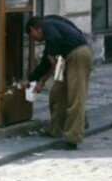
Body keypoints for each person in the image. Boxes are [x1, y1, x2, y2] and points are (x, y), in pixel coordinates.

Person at [26, 15, 92, 150]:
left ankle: (72, 139)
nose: (33, 39)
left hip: (78, 55)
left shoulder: (47, 24)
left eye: (31, 35)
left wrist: (51, 55)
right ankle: (55, 130)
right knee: (57, 94)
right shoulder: (50, 32)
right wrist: (30, 79)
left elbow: (55, 40)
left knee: (75, 98)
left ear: (34, 28)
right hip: (67, 58)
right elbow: (45, 63)